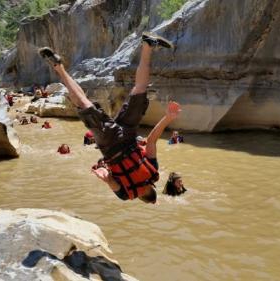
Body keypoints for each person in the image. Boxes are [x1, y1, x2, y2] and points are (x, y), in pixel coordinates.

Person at [39, 32, 177, 204]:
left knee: (140, 88)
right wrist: (104, 177)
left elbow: (151, 141)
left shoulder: (153, 173)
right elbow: (111, 180)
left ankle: (148, 46)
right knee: (84, 103)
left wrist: (168, 117)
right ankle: (58, 67)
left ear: (153, 188)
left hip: (129, 135)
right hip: (110, 144)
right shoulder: (126, 195)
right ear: (140, 197)